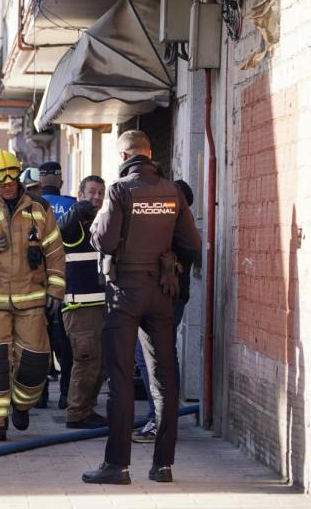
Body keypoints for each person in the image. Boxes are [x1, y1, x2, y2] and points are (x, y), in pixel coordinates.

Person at [83, 130, 200, 485]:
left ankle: (117, 466)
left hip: (125, 292)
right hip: (161, 292)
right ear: (149, 155)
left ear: (123, 158)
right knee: (164, 379)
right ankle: (162, 466)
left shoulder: (119, 190)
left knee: (120, 379)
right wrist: (170, 269)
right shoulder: (174, 192)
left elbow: (102, 238)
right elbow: (192, 243)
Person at [0, 150, 65, 441]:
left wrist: (56, 290)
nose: (8, 183)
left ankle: (22, 404)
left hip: (32, 300)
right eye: (1, 179)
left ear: (19, 175)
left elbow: (55, 253)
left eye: (12, 176)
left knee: (36, 363)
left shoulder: (40, 209)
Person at [133, 179, 199, 443]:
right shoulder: (179, 226)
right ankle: (162, 419)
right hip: (164, 298)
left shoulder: (175, 228)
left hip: (165, 299)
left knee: (155, 358)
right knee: (159, 356)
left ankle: (158, 420)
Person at [59, 175, 108, 429]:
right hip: (80, 309)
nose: (96, 197)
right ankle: (76, 414)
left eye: (101, 193)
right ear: (79, 194)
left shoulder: (101, 223)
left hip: (101, 307)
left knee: (99, 364)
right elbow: (60, 229)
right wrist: (77, 210)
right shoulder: (74, 224)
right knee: (86, 362)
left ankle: (86, 410)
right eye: (91, 192)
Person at [38, 161, 76, 410]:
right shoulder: (73, 205)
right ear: (61, 182)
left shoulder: (30, 206)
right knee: (66, 345)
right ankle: (65, 395)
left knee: (37, 343)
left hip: (34, 285)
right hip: (67, 284)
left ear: (40, 182)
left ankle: (38, 396)